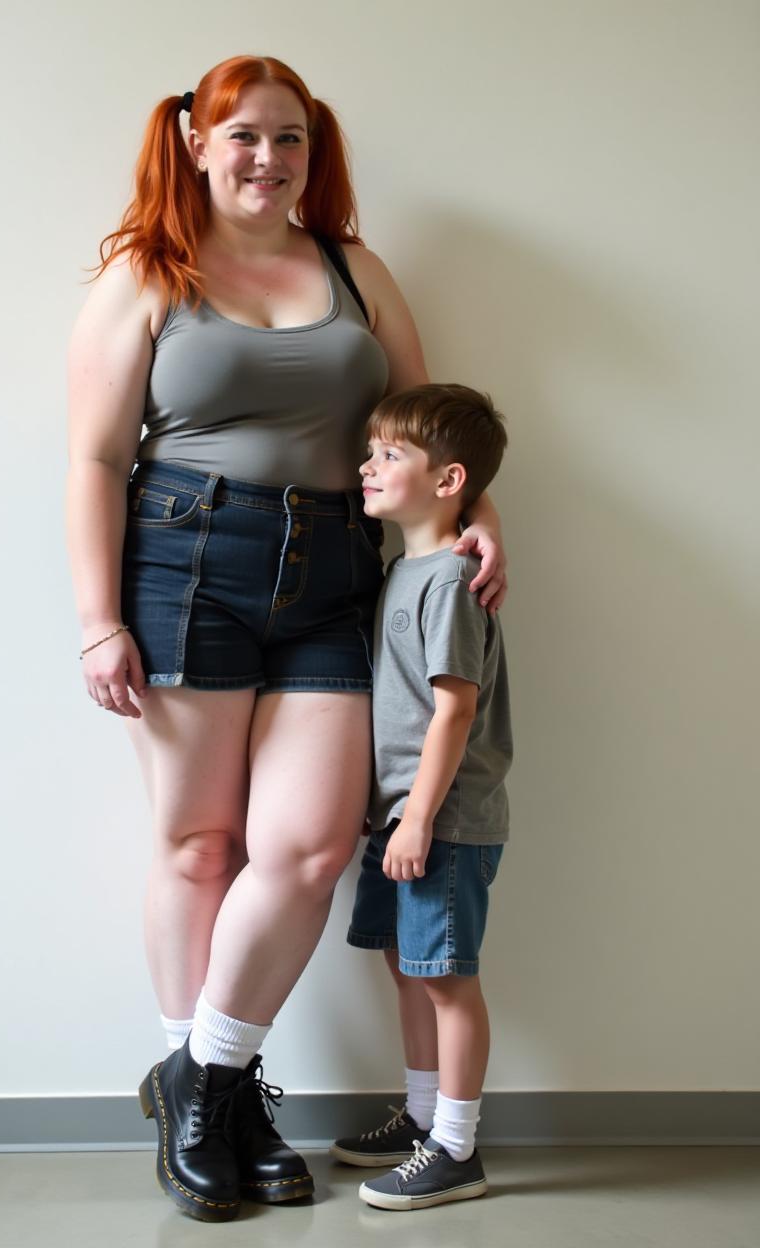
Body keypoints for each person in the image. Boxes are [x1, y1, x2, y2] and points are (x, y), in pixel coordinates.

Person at [66, 55, 508, 1223]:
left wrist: (480, 521)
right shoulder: (144, 273)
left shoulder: (352, 268)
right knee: (202, 846)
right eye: (246, 137)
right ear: (198, 143)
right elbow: (96, 460)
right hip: (181, 561)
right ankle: (224, 1098)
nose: (269, 159)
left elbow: (425, 413)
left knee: (307, 850)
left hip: (334, 573)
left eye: (292, 139)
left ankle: (201, 1080)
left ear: (315, 152)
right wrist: (96, 620)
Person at [330, 383, 512, 1212]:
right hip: (404, 815)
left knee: (447, 979)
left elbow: (456, 709)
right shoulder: (405, 571)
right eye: (369, 452)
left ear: (449, 482)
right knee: (410, 967)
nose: (367, 466)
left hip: (440, 821)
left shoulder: (449, 582)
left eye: (388, 455)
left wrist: (419, 817)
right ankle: (420, 1114)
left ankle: (457, 1149)